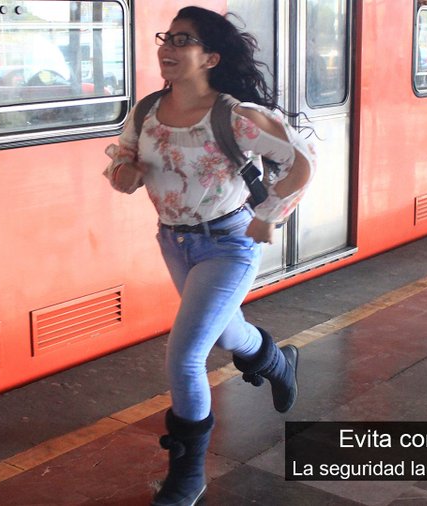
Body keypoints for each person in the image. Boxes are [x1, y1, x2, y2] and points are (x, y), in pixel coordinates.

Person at [103, 6, 315, 506]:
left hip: (229, 241)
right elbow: (120, 165)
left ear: (211, 57)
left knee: (185, 357)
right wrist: (124, 176)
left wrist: (271, 214)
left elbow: (301, 160)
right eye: (166, 38)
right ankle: (275, 359)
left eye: (184, 40)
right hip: (174, 240)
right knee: (222, 333)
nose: (168, 48)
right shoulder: (146, 112)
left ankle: (186, 476)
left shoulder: (234, 116)